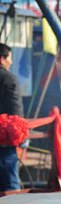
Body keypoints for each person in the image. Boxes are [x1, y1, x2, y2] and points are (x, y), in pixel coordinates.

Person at [0, 43, 23, 191]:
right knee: (10, 185)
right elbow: (16, 116)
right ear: (2, 59)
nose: (11, 62)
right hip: (4, 142)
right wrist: (21, 138)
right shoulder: (9, 79)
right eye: (9, 58)